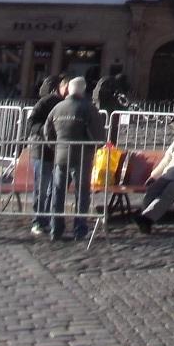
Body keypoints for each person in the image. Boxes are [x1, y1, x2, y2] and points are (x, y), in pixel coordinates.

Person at [43, 75, 106, 242]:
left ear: (69, 90)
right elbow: (99, 135)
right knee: (81, 193)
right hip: (82, 156)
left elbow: (47, 131)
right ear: (83, 90)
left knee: (58, 192)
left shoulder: (58, 108)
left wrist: (55, 146)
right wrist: (96, 146)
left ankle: (55, 228)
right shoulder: (88, 108)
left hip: (61, 156)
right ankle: (79, 229)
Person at [25, 74, 67, 238]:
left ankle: (49, 221)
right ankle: (38, 221)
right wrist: (48, 131)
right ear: (59, 87)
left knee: (53, 189)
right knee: (42, 189)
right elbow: (31, 123)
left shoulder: (67, 103)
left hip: (59, 152)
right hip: (42, 151)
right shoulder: (47, 101)